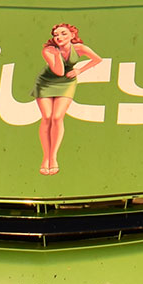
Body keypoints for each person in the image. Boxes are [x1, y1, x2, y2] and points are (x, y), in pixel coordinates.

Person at [34, 23, 102, 176]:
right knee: (47, 117)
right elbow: (58, 71)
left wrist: (79, 70)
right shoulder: (48, 50)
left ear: (72, 35)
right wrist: (57, 55)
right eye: (56, 35)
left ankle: (53, 157)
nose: (59, 37)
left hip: (67, 83)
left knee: (57, 117)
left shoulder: (80, 48)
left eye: (64, 33)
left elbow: (97, 59)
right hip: (46, 82)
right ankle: (45, 157)